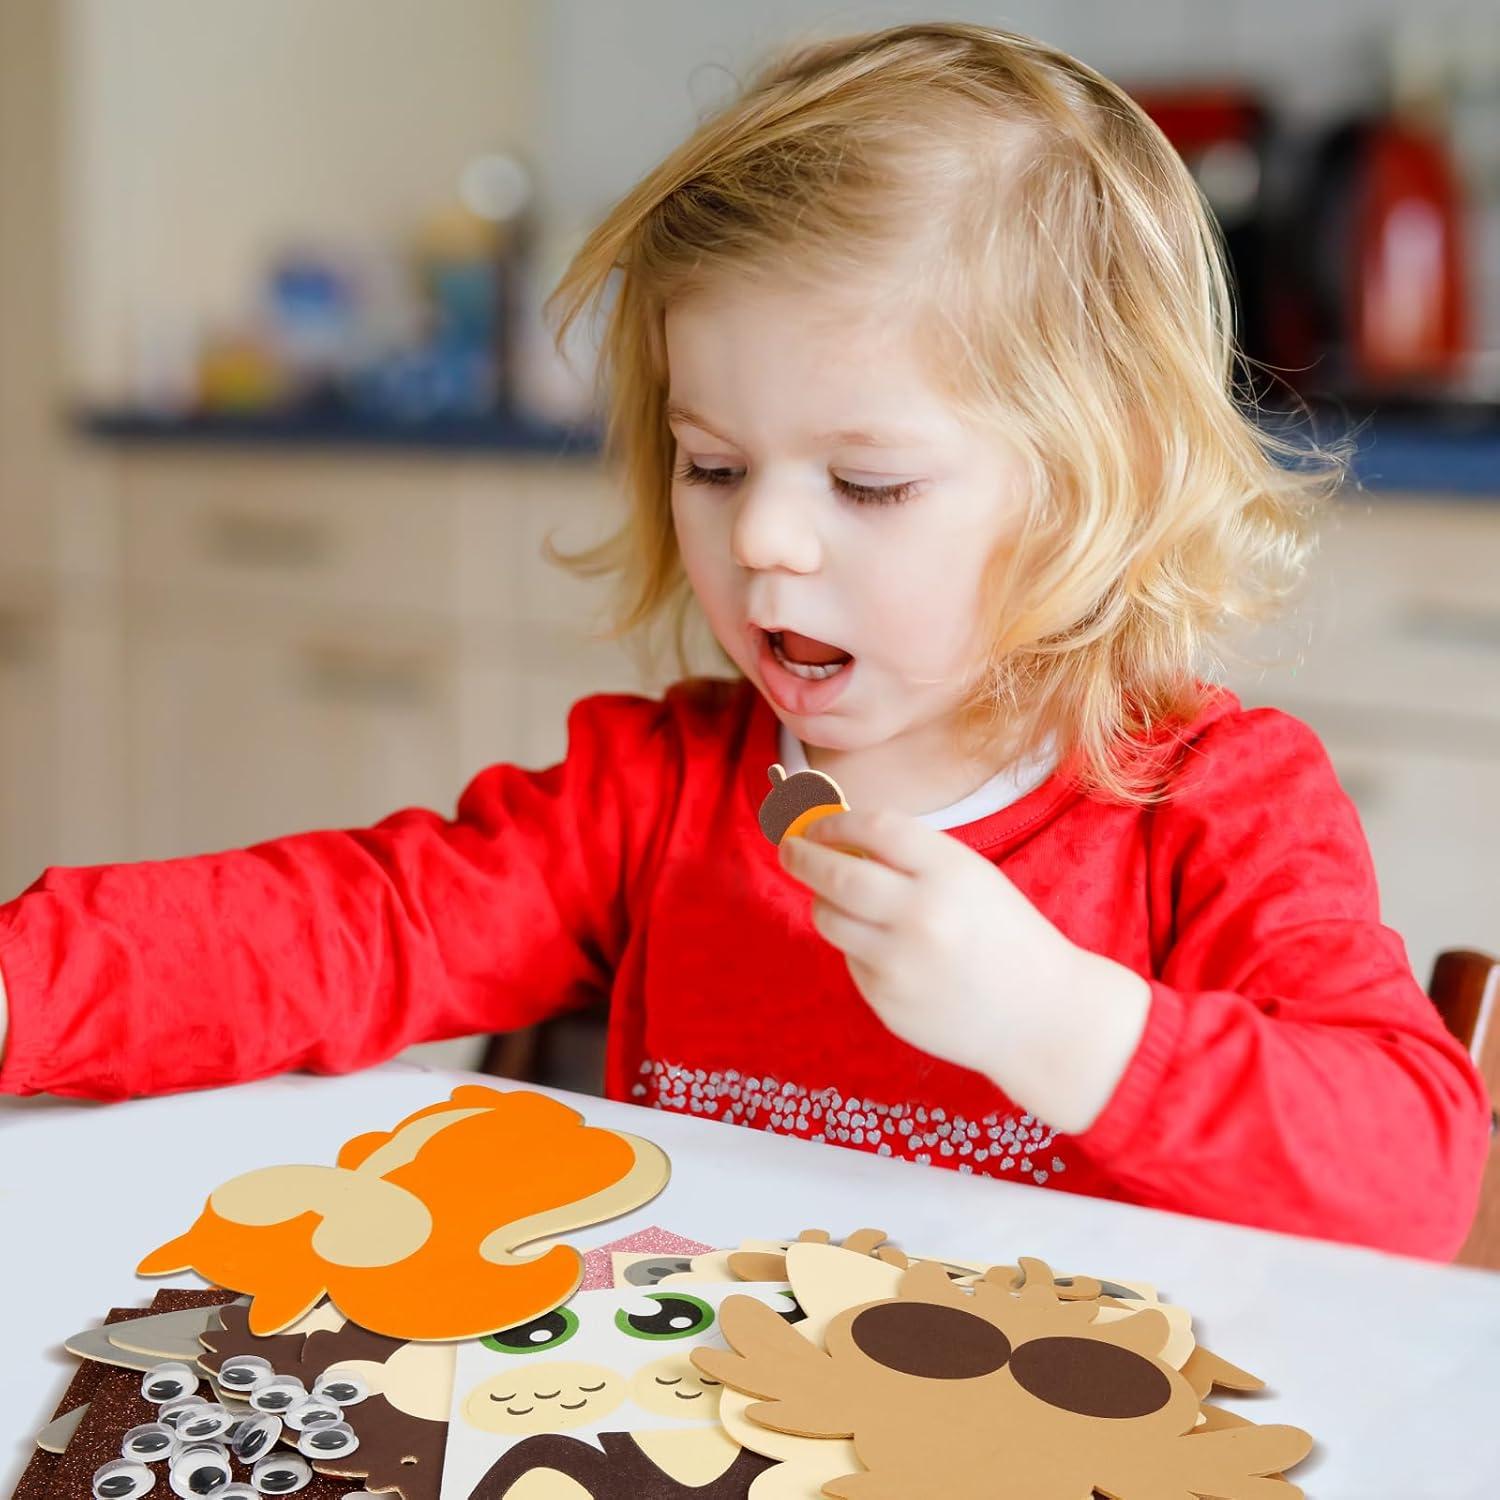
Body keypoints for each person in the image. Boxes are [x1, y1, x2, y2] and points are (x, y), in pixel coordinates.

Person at [0, 23, 1486, 1259]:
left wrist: (1058, 1022)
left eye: (867, 484)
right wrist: (27, 987)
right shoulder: (655, 797)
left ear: (1104, 487)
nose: (764, 535)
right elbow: (352, 929)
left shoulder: (1214, 808)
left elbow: (1415, 1183)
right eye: (713, 465)